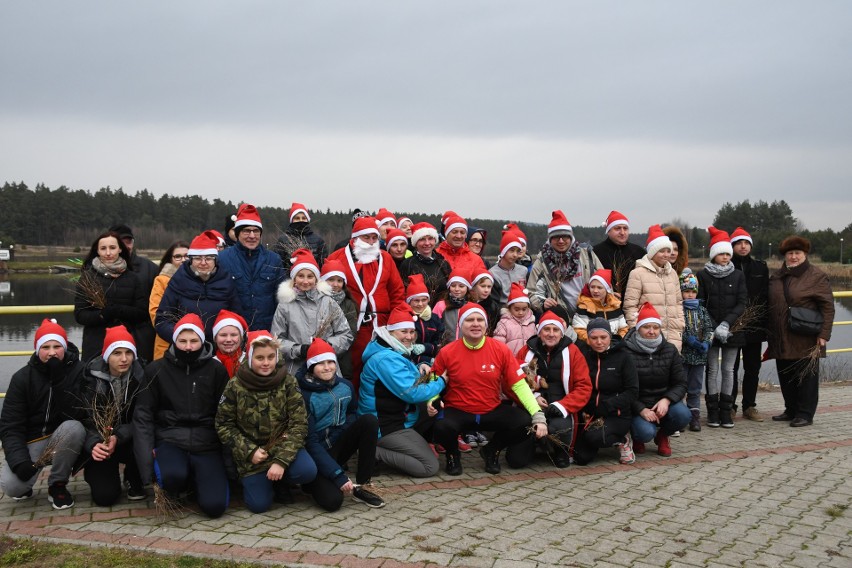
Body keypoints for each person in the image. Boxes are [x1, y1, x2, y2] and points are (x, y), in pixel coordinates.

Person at [431, 303, 548, 475]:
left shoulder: (500, 349)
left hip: (490, 408)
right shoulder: (447, 352)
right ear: (461, 325)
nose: (475, 324)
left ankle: (491, 450)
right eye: (470, 320)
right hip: (458, 409)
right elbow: (432, 382)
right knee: (441, 426)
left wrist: (538, 415)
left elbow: (519, 384)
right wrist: (430, 401)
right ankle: (452, 454)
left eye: (480, 320)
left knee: (524, 422)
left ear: (486, 325)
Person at [133, 314, 231, 518]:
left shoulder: (216, 370)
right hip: (170, 440)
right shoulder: (155, 370)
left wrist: (229, 461)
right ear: (174, 341)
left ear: (202, 342)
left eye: (194, 341)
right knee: (172, 476)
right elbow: (143, 416)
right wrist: (146, 469)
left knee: (215, 507)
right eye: (182, 341)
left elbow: (226, 415)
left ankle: (199, 482)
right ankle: (179, 484)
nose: (188, 347)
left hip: (206, 444)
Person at [216, 331, 316, 513]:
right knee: (259, 505)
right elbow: (224, 425)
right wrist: (249, 450)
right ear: (250, 358)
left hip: (281, 445)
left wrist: (281, 461)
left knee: (307, 471)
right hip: (253, 455)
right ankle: (265, 483)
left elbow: (299, 423)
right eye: (259, 358)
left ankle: (281, 480)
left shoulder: (288, 382)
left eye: (271, 357)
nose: (266, 362)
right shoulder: (235, 385)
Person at [0, 319, 86, 509]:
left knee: (75, 428)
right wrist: (19, 461)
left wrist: (59, 380)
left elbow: (77, 413)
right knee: (12, 486)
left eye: (57, 346)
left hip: (64, 437)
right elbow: (10, 425)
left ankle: (57, 484)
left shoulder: (79, 371)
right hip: (33, 440)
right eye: (46, 347)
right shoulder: (22, 378)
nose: (52, 352)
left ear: (65, 347)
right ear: (38, 349)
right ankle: (26, 484)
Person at [358, 305, 447, 478]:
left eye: (411, 332)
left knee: (434, 408)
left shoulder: (393, 350)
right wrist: (442, 380)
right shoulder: (386, 358)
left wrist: (430, 369)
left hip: (398, 417)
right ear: (391, 332)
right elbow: (412, 392)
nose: (409, 337)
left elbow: (412, 381)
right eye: (403, 332)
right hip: (384, 425)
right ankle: (373, 451)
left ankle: (404, 444)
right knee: (429, 467)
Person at [297, 338, 385, 510]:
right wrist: (338, 475)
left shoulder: (345, 386)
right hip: (315, 452)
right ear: (311, 366)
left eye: (331, 361)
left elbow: (352, 413)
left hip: (337, 445)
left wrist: (344, 431)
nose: (327, 367)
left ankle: (364, 485)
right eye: (320, 363)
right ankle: (312, 481)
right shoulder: (303, 395)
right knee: (333, 502)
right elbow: (310, 442)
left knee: (368, 421)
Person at [325, 216, 406, 384]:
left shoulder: (385, 259)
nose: (371, 242)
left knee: (381, 369)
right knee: (353, 368)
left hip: (381, 324)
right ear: (355, 238)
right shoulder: (337, 257)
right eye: (366, 237)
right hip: (351, 322)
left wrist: (397, 322)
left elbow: (397, 292)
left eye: (374, 237)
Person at [766, 236, 835, 427]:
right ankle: (791, 409)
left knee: (806, 378)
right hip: (782, 336)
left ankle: (805, 413)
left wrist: (824, 334)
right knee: (786, 375)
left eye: (797, 253)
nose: (794, 257)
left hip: (806, 337)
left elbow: (828, 307)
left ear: (805, 254)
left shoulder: (816, 276)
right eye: (790, 253)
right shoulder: (777, 276)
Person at [509, 311, 592, 468]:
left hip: (561, 406)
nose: (551, 334)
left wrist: (562, 406)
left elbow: (584, 386)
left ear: (562, 333)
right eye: (547, 330)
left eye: (556, 330)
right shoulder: (525, 352)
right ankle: (533, 446)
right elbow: (513, 381)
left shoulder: (573, 353)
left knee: (560, 427)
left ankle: (560, 451)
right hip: (531, 405)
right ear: (539, 333)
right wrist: (533, 397)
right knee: (515, 461)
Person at [80, 325, 146, 506]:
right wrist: (94, 443)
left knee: (142, 439)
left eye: (128, 352)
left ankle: (133, 477)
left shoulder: (143, 378)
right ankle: (103, 474)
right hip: (101, 442)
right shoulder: (89, 379)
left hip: (129, 439)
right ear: (107, 355)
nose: (124, 359)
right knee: (105, 497)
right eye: (117, 353)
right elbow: (83, 419)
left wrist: (119, 436)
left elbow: (144, 418)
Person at [623, 303, 691, 456]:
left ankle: (663, 436)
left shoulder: (670, 350)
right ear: (638, 328)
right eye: (646, 327)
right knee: (645, 432)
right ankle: (637, 437)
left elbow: (681, 383)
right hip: (637, 405)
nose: (652, 331)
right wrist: (641, 409)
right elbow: (622, 387)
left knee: (684, 415)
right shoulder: (626, 352)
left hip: (662, 402)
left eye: (656, 327)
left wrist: (666, 400)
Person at [271, 248, 353, 375]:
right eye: (300, 276)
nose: (305, 281)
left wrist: (327, 346)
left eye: (310, 276)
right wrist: (299, 350)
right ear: (294, 278)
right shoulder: (285, 306)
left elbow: (345, 335)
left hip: (327, 368)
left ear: (316, 279)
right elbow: (277, 340)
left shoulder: (328, 302)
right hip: (296, 369)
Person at [698, 227, 748, 428]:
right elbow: (700, 301)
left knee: (729, 370)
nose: (725, 257)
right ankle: (712, 412)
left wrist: (726, 323)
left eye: (728, 253)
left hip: (732, 329)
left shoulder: (737, 275)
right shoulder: (703, 275)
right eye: (721, 254)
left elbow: (742, 302)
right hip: (709, 330)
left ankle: (726, 410)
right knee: (712, 370)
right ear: (714, 255)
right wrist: (713, 326)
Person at [155, 230, 242, 344]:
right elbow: (162, 320)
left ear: (215, 260)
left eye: (209, 258)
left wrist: (227, 338)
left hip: (220, 348)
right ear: (190, 260)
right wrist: (182, 338)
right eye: (197, 258)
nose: (203, 262)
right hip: (187, 347)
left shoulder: (226, 280)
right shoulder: (178, 280)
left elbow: (237, 316)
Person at [74, 230, 149, 361]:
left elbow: (143, 313)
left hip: (125, 345)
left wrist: (118, 310)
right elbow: (80, 315)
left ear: (120, 249)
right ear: (97, 251)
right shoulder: (88, 278)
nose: (108, 253)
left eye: (112, 248)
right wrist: (102, 315)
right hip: (95, 346)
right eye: (103, 248)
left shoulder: (133, 278)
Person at [574, 318, 638, 466]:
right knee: (581, 458)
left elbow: (632, 391)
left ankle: (623, 440)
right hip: (591, 413)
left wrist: (608, 405)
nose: (599, 342)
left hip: (617, 414)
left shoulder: (624, 357)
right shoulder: (584, 356)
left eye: (603, 337)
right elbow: (579, 385)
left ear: (610, 336)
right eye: (594, 338)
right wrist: (586, 407)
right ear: (588, 339)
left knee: (594, 437)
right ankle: (597, 439)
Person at [218, 203, 285, 331]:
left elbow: (281, 300)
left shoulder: (273, 260)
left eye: (256, 231)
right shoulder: (222, 259)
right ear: (237, 234)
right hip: (233, 331)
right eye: (246, 231)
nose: (252, 236)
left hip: (266, 330)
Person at [528, 210, 603, 322]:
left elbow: (604, 281)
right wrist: (543, 304)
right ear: (550, 239)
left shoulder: (586, 254)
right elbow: (531, 292)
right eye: (556, 237)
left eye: (565, 237)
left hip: (591, 314)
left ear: (571, 237)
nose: (561, 241)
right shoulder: (542, 261)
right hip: (561, 320)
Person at [623, 225, 685, 352]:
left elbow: (678, 302)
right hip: (648, 335)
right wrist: (636, 328)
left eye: (668, 251)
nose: (666, 254)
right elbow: (630, 306)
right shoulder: (638, 273)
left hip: (673, 334)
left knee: (671, 370)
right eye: (662, 251)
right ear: (652, 252)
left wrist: (680, 323)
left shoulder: (672, 274)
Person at [730, 227, 769, 421]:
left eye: (746, 243)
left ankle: (749, 405)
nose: (743, 246)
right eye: (739, 243)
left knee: (753, 368)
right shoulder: (727, 266)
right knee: (732, 368)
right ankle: (730, 405)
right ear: (732, 246)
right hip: (733, 326)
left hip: (754, 327)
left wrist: (765, 326)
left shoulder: (761, 268)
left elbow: (766, 298)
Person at [109, 224, 159, 361]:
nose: (126, 246)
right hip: (110, 338)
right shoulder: (94, 271)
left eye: (129, 242)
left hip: (142, 338)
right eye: (120, 243)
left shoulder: (151, 269)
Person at [679, 270, 714, 432]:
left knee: (695, 388)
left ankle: (694, 418)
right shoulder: (679, 310)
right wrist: (688, 339)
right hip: (683, 356)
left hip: (699, 357)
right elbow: (678, 329)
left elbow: (708, 328)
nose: (690, 295)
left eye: (693, 291)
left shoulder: (702, 310)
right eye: (686, 291)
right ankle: (679, 417)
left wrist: (706, 341)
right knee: (680, 387)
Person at [149, 240, 190, 360]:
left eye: (187, 256)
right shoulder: (161, 280)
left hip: (194, 341)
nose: (183, 260)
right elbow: (154, 313)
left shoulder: (200, 280)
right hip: (167, 341)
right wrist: (179, 335)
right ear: (170, 259)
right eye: (178, 256)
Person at [593, 210, 646, 298]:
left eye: (625, 228)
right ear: (608, 231)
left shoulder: (639, 252)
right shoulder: (596, 252)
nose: (622, 232)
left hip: (634, 302)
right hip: (606, 303)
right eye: (617, 228)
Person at [320, 259, 358, 379]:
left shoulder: (348, 304)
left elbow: (351, 332)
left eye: (339, 280)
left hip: (342, 355)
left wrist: (330, 346)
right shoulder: (317, 301)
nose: (335, 284)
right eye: (331, 279)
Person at [399, 222, 452, 305]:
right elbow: (402, 294)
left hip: (441, 313)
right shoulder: (408, 264)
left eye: (430, 238)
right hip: (417, 312)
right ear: (415, 242)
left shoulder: (443, 264)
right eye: (422, 239)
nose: (427, 243)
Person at [572, 269, 628, 343]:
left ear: (607, 289)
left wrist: (618, 342)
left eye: (599, 288)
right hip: (592, 347)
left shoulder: (614, 304)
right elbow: (579, 329)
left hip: (614, 346)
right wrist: (595, 342)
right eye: (592, 287)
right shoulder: (584, 306)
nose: (595, 291)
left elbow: (623, 328)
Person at [406, 274, 444, 368]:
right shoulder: (405, 318)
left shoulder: (434, 319)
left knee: (433, 381)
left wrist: (426, 348)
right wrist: (423, 360)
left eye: (424, 300)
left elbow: (440, 342)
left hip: (433, 362)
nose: (420, 304)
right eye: (416, 301)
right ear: (409, 302)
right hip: (409, 364)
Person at [276, 202, 328, 271]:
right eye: (297, 218)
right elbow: (278, 265)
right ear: (292, 220)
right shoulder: (283, 240)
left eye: (303, 218)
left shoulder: (318, 241)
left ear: (308, 220)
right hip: (289, 280)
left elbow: (323, 265)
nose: (301, 220)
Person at [494, 283, 537, 356]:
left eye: (524, 309)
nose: (520, 313)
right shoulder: (504, 323)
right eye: (516, 309)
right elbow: (498, 344)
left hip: (528, 361)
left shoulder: (531, 323)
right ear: (510, 308)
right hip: (510, 360)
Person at [433, 266, 471, 344]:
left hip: (466, 346)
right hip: (445, 346)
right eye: (453, 286)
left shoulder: (471, 307)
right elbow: (433, 327)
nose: (457, 289)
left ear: (467, 288)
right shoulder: (441, 305)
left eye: (461, 286)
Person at [489, 231, 528, 304]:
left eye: (517, 251)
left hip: (522, 309)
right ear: (504, 251)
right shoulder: (492, 273)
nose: (515, 255)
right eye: (512, 250)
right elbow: (494, 301)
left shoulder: (524, 270)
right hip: (503, 309)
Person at [212, 309, 248, 378]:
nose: (228, 340)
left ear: (241, 338)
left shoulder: (248, 361)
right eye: (223, 335)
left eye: (233, 335)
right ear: (215, 338)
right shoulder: (210, 364)